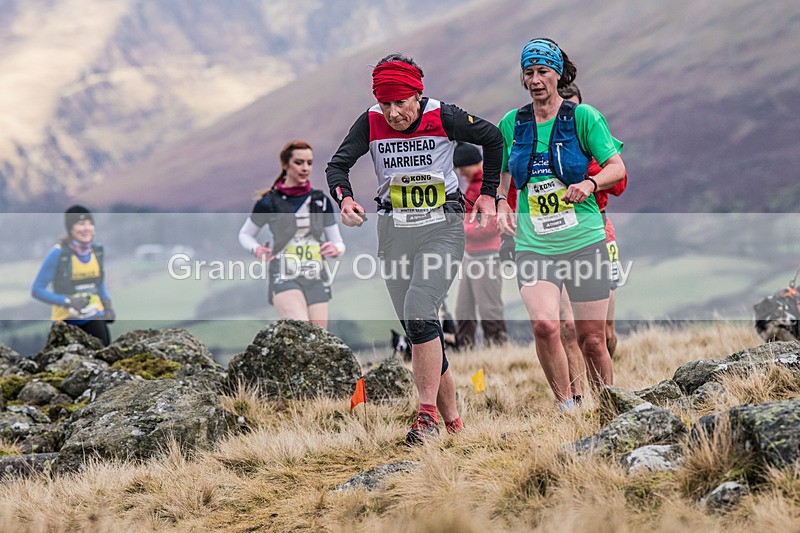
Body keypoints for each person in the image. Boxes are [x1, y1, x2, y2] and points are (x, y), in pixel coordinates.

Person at [326, 53, 503, 443]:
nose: (392, 113)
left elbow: (493, 137)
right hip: (394, 230)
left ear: (417, 95)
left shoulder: (445, 116)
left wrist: (489, 195)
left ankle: (425, 417)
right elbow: (336, 167)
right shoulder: (370, 121)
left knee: (420, 310)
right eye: (385, 103)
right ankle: (454, 421)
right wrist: (345, 199)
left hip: (442, 225)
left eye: (400, 103)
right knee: (419, 328)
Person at [496, 39, 626, 410]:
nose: (536, 80)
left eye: (543, 72)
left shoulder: (583, 118)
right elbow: (503, 177)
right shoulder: (513, 123)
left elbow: (617, 168)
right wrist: (502, 204)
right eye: (529, 73)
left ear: (557, 74)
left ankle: (607, 408)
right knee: (546, 325)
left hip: (584, 239)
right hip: (534, 243)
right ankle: (567, 406)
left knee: (592, 340)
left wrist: (589, 183)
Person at [553, 83, 628, 402]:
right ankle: (579, 397)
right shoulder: (539, 138)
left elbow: (620, 183)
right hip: (554, 237)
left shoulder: (589, 132)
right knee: (568, 326)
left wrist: (586, 177)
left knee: (603, 332)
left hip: (598, 232)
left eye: (572, 107)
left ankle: (607, 391)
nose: (566, 113)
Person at [239, 140, 345, 329]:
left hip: (316, 276)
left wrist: (335, 249)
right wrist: (257, 249)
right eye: (299, 162)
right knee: (302, 334)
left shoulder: (321, 201)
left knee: (321, 342)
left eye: (309, 163)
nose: (305, 168)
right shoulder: (269, 202)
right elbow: (245, 235)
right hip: (284, 276)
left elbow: (339, 244)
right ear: (285, 164)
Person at [32, 205, 116, 346]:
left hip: (95, 317)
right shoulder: (58, 253)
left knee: (105, 359)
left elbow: (98, 283)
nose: (86, 228)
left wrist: (107, 304)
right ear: (70, 229)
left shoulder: (97, 250)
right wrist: (68, 301)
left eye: (90, 224)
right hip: (66, 322)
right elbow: (37, 290)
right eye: (81, 224)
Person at [452, 142, 508, 349]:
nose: (460, 172)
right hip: (470, 256)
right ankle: (465, 353)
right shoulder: (472, 186)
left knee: (489, 310)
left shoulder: (488, 185)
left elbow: (492, 225)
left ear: (472, 163)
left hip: (487, 256)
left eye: (462, 168)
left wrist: (460, 229)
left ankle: (499, 351)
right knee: (463, 310)